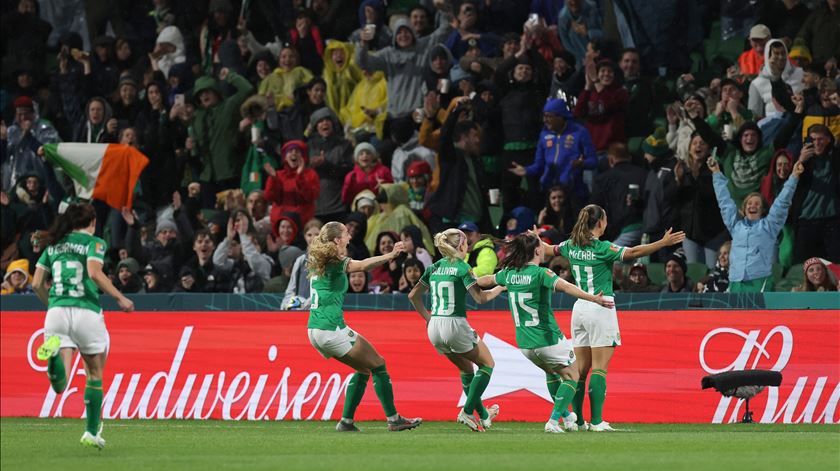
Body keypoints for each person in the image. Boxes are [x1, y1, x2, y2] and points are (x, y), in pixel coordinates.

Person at [541, 204, 685, 430]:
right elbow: (633, 253)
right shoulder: (602, 248)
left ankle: (579, 421)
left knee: (580, 370)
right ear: (600, 223)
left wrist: (533, 240)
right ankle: (597, 421)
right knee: (599, 368)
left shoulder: (570, 245)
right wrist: (662, 243)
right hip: (601, 305)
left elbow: (548, 250)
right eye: (605, 219)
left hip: (579, 308)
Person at [482, 231, 614, 433]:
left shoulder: (509, 273)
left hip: (525, 344)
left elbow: (486, 280)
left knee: (551, 372)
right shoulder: (541, 274)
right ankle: (553, 422)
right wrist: (592, 298)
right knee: (572, 375)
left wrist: (466, 279)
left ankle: (568, 417)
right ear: (536, 250)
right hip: (547, 338)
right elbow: (567, 287)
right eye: (541, 246)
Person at [30, 203, 134, 449]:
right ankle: (90, 432)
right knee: (94, 375)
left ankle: (54, 358)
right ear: (93, 222)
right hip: (86, 311)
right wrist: (120, 297)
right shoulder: (94, 243)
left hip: (56, 312)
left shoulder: (54, 244)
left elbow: (36, 284)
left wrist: (53, 305)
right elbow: (95, 273)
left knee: (61, 384)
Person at [306, 221, 421, 432]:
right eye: (346, 233)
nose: (349, 237)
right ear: (336, 240)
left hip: (315, 329)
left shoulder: (318, 261)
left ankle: (346, 422)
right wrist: (390, 255)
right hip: (331, 328)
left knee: (363, 368)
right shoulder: (334, 259)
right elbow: (362, 265)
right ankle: (394, 419)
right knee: (379, 364)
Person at [407, 228, 506, 432]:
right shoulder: (463, 267)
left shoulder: (434, 267)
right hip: (455, 324)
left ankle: (485, 416)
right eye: (465, 241)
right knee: (487, 364)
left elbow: (413, 296)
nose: (467, 244)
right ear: (461, 245)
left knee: (466, 369)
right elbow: (481, 299)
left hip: (435, 327)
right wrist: (500, 287)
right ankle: (467, 412)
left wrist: (428, 318)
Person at [709, 154, 804, 292]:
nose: (752, 205)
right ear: (744, 208)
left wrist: (794, 176)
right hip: (736, 281)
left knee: (759, 314)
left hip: (760, 281)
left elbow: (782, 202)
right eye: (749, 203)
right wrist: (716, 173)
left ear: (763, 209)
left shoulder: (769, 226)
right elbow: (724, 202)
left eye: (757, 203)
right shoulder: (736, 226)